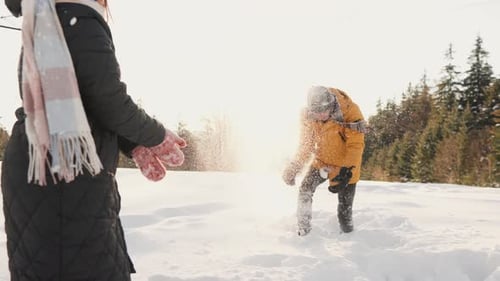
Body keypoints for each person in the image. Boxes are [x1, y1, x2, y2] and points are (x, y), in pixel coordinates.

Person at [1, 0, 186, 280]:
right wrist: (155, 136)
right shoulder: (77, 18)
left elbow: (78, 101)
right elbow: (107, 97)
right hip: (67, 176)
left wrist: (132, 143)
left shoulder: (43, 20)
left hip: (37, 166)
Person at [282, 85, 366, 236]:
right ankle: (303, 231)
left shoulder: (350, 111)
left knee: (344, 211)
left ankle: (349, 239)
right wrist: (295, 165)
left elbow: (355, 145)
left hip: (346, 167)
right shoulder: (308, 115)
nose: (320, 115)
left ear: (331, 104)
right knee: (305, 190)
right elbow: (306, 144)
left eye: (323, 111)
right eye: (316, 112)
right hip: (322, 162)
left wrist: (346, 170)